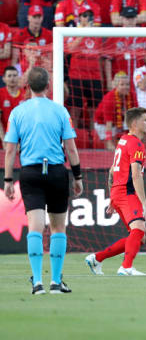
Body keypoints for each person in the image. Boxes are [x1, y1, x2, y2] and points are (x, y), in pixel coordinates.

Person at [4, 67, 83, 294]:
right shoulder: (60, 111)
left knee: (35, 227)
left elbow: (10, 150)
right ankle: (56, 282)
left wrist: (8, 180)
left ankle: (38, 281)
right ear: (48, 86)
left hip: (30, 173)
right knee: (58, 227)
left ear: (26, 86)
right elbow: (71, 149)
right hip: (57, 172)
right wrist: (77, 177)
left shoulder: (18, 112)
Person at [85, 107, 146, 276]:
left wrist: (112, 197)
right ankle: (126, 267)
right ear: (135, 123)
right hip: (127, 192)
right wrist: (143, 201)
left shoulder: (123, 140)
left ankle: (97, 258)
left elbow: (111, 171)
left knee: (138, 237)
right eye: (144, 120)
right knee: (139, 229)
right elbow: (136, 175)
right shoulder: (136, 143)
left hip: (117, 192)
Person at [94, 72, 137, 151]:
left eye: (127, 84)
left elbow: (136, 115)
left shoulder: (132, 95)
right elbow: (108, 123)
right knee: (112, 148)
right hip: (103, 124)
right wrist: (109, 142)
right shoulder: (109, 98)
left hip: (122, 122)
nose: (125, 87)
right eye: (122, 85)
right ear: (116, 86)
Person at [0, 66, 25, 144]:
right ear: (4, 78)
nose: (12, 78)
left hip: (22, 140)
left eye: (15, 75)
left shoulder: (25, 94)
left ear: (19, 77)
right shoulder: (0, 94)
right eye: (9, 76)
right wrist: (4, 140)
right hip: (4, 139)